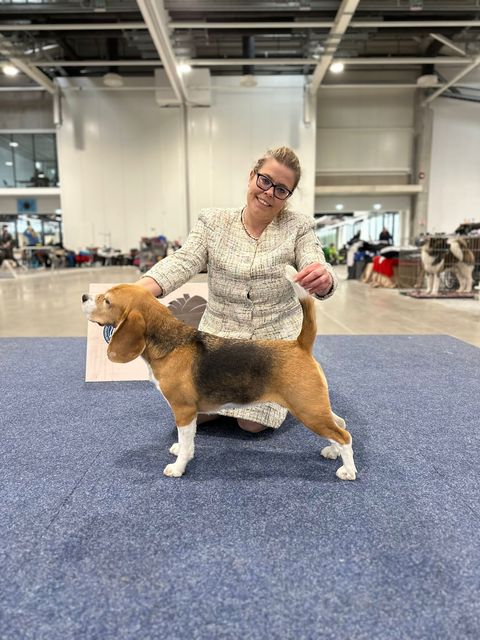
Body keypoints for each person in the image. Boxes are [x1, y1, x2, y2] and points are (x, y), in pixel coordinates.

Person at [136, 146, 337, 433]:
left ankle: (292, 387)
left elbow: (315, 260)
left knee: (250, 424)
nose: (269, 193)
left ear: (288, 196)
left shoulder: (299, 226)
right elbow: (183, 260)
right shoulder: (212, 221)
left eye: (281, 190)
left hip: (273, 346)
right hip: (216, 344)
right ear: (252, 176)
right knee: (193, 414)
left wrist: (324, 277)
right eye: (265, 181)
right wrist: (137, 291)